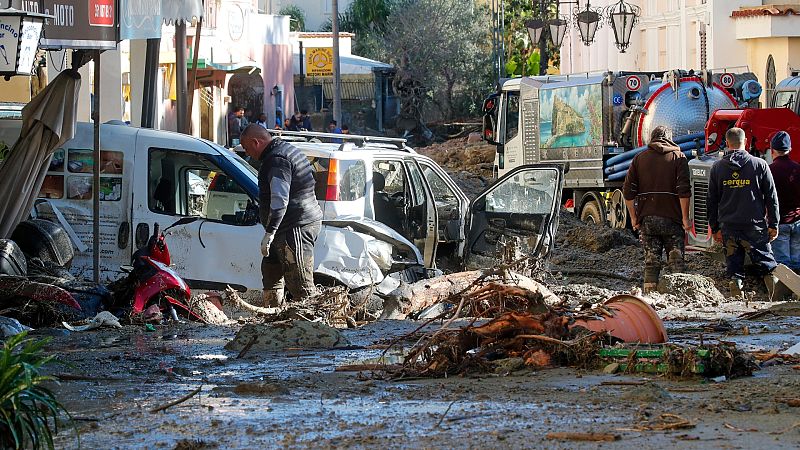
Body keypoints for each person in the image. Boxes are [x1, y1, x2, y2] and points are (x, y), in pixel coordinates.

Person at [239, 124, 323, 307]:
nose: (246, 153)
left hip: (295, 226)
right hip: (290, 225)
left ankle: (312, 321)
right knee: (271, 271)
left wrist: (270, 232)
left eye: (246, 148)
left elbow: (279, 199)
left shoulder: (277, 159)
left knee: (300, 285)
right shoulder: (284, 150)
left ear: (256, 142)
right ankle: (273, 314)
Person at [708, 127, 780, 298]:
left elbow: (711, 201)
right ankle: (777, 297)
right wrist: (773, 224)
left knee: (734, 267)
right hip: (754, 226)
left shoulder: (717, 168)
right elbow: (771, 197)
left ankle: (736, 294)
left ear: (727, 143)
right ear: (745, 142)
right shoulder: (760, 165)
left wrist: (715, 227)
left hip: (729, 226)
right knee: (768, 265)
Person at [622, 126, 692, 294]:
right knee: (676, 262)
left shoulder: (639, 158)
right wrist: (685, 218)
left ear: (652, 138)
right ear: (670, 138)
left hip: (648, 221)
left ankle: (650, 296)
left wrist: (633, 217)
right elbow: (684, 191)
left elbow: (628, 192)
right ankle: (678, 296)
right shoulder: (679, 157)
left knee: (651, 262)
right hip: (673, 220)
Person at [769, 131, 800, 271]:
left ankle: (784, 286)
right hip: (797, 221)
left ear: (772, 150)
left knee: (782, 266)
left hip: (779, 223)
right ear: (790, 149)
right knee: (798, 264)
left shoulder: (769, 171)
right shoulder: (797, 169)